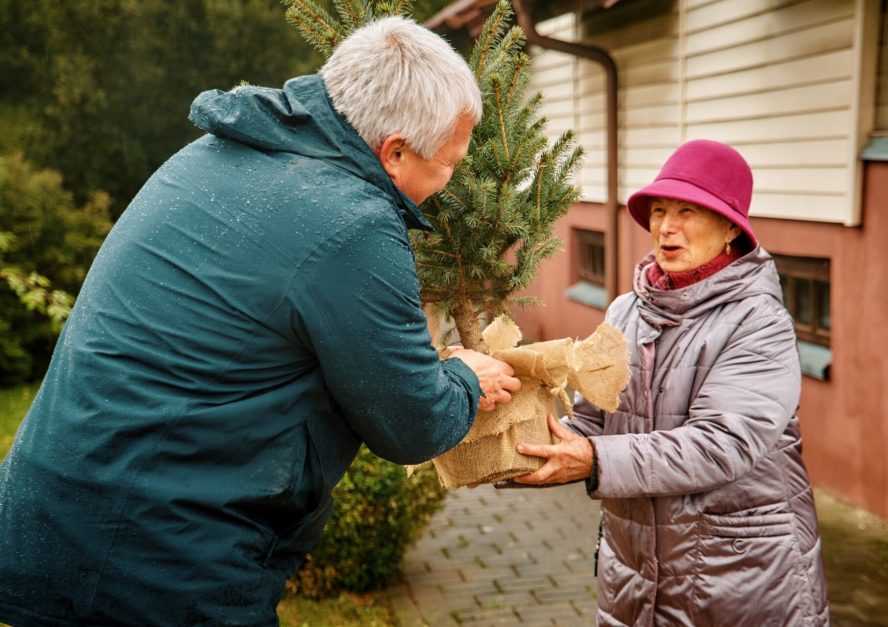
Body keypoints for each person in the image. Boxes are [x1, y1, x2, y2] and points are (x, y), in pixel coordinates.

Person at [0, 16, 522, 626]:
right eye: (450, 163)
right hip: (162, 560)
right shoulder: (353, 222)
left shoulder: (211, 155)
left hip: (49, 519)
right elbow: (411, 423)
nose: (449, 181)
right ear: (397, 150)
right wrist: (462, 377)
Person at [510, 139, 830, 625]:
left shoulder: (758, 322)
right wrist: (534, 446)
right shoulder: (625, 309)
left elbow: (723, 443)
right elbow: (593, 416)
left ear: (729, 227)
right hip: (635, 572)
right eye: (659, 210)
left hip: (737, 576)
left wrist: (594, 460)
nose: (665, 226)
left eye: (687, 211)